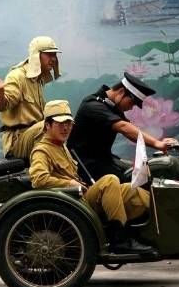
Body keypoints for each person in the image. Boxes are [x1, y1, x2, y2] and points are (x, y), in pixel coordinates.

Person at [29, 100, 156, 255]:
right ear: (47, 125)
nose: (66, 128)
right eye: (60, 124)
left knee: (133, 190)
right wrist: (69, 183)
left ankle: (146, 233)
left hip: (81, 197)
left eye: (68, 123)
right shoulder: (42, 150)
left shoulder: (62, 147)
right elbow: (38, 179)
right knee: (110, 180)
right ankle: (120, 240)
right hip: (73, 203)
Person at [67, 72, 178, 182]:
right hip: (85, 164)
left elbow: (131, 129)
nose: (131, 108)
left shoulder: (111, 106)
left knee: (144, 173)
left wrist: (161, 142)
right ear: (121, 92)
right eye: (132, 103)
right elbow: (123, 127)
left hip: (104, 159)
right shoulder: (93, 105)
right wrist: (157, 143)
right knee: (130, 184)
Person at [0, 36, 61, 161]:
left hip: (35, 135)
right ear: (36, 55)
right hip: (17, 141)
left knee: (63, 122)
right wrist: (0, 90)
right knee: (49, 126)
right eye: (49, 55)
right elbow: (2, 106)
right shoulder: (17, 76)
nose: (53, 59)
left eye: (54, 55)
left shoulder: (38, 79)